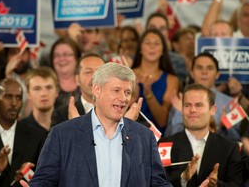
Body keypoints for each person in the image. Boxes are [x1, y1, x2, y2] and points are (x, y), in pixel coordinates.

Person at [20, 62, 172, 187]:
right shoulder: (62, 134)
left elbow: (158, 183)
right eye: (116, 90)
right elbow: (44, 182)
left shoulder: (144, 136)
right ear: (97, 90)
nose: (123, 98)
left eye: (127, 92)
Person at [159, 83, 243, 187]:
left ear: (213, 110)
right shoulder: (165, 145)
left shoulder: (229, 147)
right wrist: (183, 179)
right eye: (187, 105)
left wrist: (216, 185)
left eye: (199, 105)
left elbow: (236, 184)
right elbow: (157, 182)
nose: (192, 110)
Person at [166, 52, 241, 141]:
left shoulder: (230, 103)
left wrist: (223, 126)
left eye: (209, 68)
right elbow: (170, 138)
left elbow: (237, 140)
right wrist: (180, 113)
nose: (204, 72)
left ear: (217, 74)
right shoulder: (180, 101)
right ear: (192, 73)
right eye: (199, 67)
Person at [132, 28, 179, 135]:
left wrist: (149, 94)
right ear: (140, 49)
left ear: (163, 50)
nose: (152, 46)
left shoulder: (171, 80)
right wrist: (132, 98)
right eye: (147, 42)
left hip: (157, 139)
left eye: (157, 43)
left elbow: (162, 121)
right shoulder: (128, 75)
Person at [51, 53, 105, 125]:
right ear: (77, 80)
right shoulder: (62, 115)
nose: (94, 77)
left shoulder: (119, 111)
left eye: (99, 72)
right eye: (88, 72)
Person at [21, 67, 59, 132]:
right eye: (37, 89)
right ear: (28, 94)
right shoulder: (19, 130)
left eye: (49, 88)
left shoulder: (67, 125)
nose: (43, 94)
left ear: (57, 91)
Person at [50, 37, 81, 111]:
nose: (61, 59)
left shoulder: (86, 84)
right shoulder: (45, 84)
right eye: (57, 55)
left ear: (77, 58)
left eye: (66, 54)